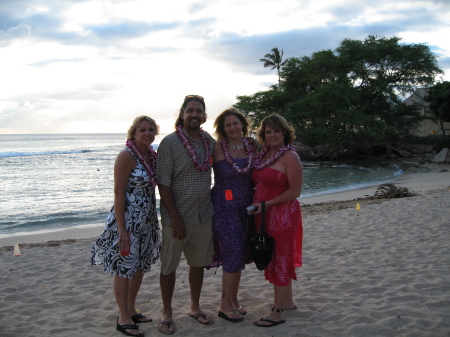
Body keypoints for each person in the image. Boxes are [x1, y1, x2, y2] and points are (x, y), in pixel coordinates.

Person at [91, 116, 162, 337]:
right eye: (143, 130)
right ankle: (123, 317)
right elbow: (119, 192)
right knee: (124, 267)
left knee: (139, 265)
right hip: (128, 221)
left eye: (151, 130)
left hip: (148, 220)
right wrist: (121, 228)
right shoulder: (126, 156)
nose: (147, 133)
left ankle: (131, 308)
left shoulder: (151, 156)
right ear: (133, 133)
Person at [156, 95, 216, 334]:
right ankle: (167, 312)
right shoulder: (169, 143)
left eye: (198, 111)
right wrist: (175, 217)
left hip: (204, 214)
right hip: (176, 219)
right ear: (182, 114)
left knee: (198, 264)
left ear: (204, 116)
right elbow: (163, 183)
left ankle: (195, 307)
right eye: (189, 110)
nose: (194, 114)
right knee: (169, 266)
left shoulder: (208, 141)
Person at [250, 113, 303, 328]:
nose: (272, 135)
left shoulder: (290, 157)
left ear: (284, 133)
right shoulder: (264, 155)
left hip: (282, 215)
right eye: (268, 131)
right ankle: (287, 301)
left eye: (276, 131)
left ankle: (277, 311)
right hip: (262, 215)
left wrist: (267, 205)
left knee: (281, 258)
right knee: (271, 256)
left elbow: (295, 191)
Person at [210, 108, 256, 323]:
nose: (232, 128)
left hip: (246, 207)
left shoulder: (252, 146)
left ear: (242, 125)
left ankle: (234, 300)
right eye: (227, 125)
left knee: (241, 252)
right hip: (224, 206)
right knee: (233, 252)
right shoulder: (217, 147)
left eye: (235, 123)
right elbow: (197, 169)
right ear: (222, 129)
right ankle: (224, 304)